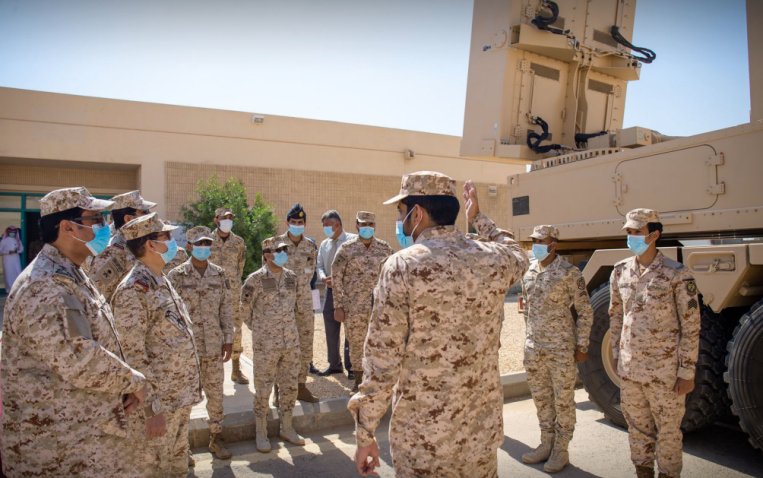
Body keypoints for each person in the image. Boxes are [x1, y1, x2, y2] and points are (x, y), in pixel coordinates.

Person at [348, 172, 529, 477]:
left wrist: (365, 435)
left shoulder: (402, 266)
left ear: (417, 213)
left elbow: (382, 361)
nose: (401, 220)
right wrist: (479, 218)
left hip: (423, 443)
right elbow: (518, 254)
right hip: (480, 434)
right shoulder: (493, 258)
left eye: (401, 212)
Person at [0, 187, 147, 477]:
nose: (105, 226)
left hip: (80, 436)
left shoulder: (72, 273)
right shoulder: (45, 285)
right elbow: (78, 358)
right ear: (67, 227)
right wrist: (134, 381)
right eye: (95, 219)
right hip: (55, 449)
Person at [609, 208, 700, 478]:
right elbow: (616, 315)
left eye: (637, 232)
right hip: (631, 370)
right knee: (637, 430)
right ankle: (643, 472)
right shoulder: (620, 271)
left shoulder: (677, 274)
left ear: (654, 234)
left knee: (669, 432)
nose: (631, 237)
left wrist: (687, 370)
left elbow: (691, 325)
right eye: (628, 232)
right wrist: (616, 354)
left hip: (665, 373)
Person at [111, 212, 202, 477]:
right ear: (151, 244)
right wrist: (153, 409)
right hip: (158, 407)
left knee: (176, 468)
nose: (173, 242)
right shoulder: (133, 291)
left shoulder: (161, 281)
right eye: (167, 237)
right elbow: (133, 356)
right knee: (154, 470)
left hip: (178, 401)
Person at [520, 224, 593, 473]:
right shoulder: (529, 271)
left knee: (563, 401)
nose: (537, 244)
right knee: (542, 399)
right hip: (534, 349)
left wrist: (582, 344)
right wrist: (527, 339)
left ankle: (561, 449)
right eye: (534, 240)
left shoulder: (570, 273)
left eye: (542, 240)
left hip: (560, 348)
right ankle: (545, 443)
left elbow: (585, 311)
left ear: (554, 244)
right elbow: (527, 310)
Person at [167, 226, 234, 460]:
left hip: (214, 345)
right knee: (184, 398)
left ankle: (216, 437)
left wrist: (229, 339)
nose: (204, 248)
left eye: (207, 244)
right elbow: (170, 313)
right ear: (189, 247)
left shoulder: (220, 274)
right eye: (199, 245)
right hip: (187, 348)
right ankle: (182, 448)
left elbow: (226, 308)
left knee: (216, 393)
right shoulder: (175, 276)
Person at [240, 237, 306, 453]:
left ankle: (287, 427)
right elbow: (244, 311)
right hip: (266, 345)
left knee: (289, 386)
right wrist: (262, 330)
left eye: (284, 249)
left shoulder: (292, 277)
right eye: (278, 250)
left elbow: (296, 307)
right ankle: (261, 432)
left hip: (290, 342)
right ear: (267, 254)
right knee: (263, 387)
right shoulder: (254, 280)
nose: (283, 253)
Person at [331, 211, 393, 392]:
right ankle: (358, 379)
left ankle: (374, 378)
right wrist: (338, 306)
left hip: (378, 308)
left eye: (370, 225)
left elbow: (391, 276)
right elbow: (336, 278)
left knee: (378, 343)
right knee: (357, 343)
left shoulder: (385, 249)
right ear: (357, 225)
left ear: (375, 226)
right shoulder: (346, 249)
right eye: (363, 224)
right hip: (354, 307)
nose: (367, 228)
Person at [273, 203, 319, 402]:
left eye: (300, 222)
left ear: (305, 224)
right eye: (293, 222)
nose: (297, 225)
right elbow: (267, 276)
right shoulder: (274, 244)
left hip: (304, 304)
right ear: (287, 223)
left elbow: (311, 274)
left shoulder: (311, 246)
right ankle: (279, 389)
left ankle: (300, 386)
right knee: (281, 347)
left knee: (305, 346)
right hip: (282, 304)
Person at [88, 190, 156, 301]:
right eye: (145, 212)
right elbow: (97, 296)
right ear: (129, 219)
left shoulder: (138, 246)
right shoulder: (115, 252)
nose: (150, 216)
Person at [209, 207, 249, 385]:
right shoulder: (206, 241)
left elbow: (241, 265)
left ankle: (236, 368)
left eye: (231, 218)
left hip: (233, 292)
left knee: (236, 330)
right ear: (216, 219)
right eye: (224, 218)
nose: (228, 221)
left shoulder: (238, 242)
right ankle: (210, 373)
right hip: (211, 293)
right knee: (210, 329)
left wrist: (233, 282)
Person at [316, 210, 356, 377]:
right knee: (331, 329)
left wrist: (341, 279)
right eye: (323, 226)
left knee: (351, 330)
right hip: (331, 292)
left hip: (349, 293)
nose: (325, 229)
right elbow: (318, 265)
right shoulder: (324, 244)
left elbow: (357, 266)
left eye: (327, 226)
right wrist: (324, 278)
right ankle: (334, 364)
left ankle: (352, 366)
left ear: (338, 225)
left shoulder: (353, 241)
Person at [0, 226, 23, 292]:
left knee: (17, 272)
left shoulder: (18, 240)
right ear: (8, 232)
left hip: (16, 259)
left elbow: (21, 249)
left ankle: (17, 289)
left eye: (14, 232)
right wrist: (8, 252)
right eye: (11, 232)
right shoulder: (4, 241)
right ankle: (9, 290)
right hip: (7, 260)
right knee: (8, 274)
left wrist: (16, 251)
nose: (12, 233)